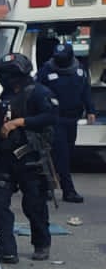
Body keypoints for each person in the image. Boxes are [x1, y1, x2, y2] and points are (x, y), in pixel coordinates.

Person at [0, 52, 58, 263]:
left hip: (30, 159)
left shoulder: (39, 92)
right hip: (3, 159)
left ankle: (41, 243)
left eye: (6, 74)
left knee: (34, 205)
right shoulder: (5, 96)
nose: (2, 79)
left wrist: (19, 122)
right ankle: (6, 250)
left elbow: (50, 116)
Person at [39, 42, 94, 204]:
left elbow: (86, 91)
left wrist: (90, 110)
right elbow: (36, 91)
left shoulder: (79, 70)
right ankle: (68, 191)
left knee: (65, 154)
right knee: (61, 155)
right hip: (54, 118)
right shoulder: (46, 70)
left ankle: (46, 187)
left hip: (72, 118)